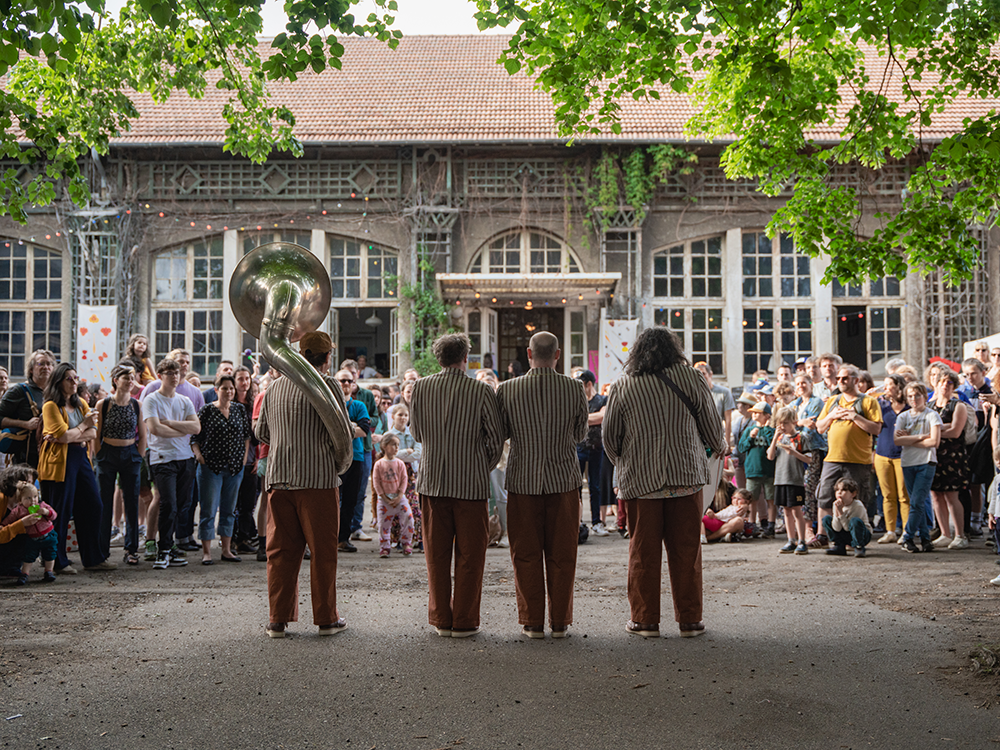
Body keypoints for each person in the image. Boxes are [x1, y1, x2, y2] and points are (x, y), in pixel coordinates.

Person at [603, 327, 726, 640]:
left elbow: (610, 438)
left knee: (642, 553)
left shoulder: (624, 384)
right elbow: (713, 429)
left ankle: (645, 622)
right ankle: (690, 621)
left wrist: (626, 462)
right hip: (686, 479)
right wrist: (717, 448)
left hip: (641, 483)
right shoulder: (692, 378)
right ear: (675, 349)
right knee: (687, 551)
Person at [255, 330, 355, 638]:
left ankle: (277, 620)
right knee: (323, 552)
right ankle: (326, 619)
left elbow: (261, 432)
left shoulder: (274, 387)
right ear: (328, 358)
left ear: (300, 355)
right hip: (318, 480)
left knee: (280, 552)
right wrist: (337, 463)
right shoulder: (328, 384)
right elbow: (341, 432)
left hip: (279, 477)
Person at [410, 333, 504, 638]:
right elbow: (495, 440)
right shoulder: (481, 390)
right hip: (471, 486)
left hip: (433, 482)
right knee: (471, 556)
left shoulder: (420, 387)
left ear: (438, 358)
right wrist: (479, 466)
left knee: (436, 556)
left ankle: (441, 618)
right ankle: (464, 620)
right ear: (466, 358)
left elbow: (417, 433)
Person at [496, 331, 588, 639]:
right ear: (557, 355)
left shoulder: (507, 389)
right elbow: (580, 434)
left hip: (523, 480)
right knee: (563, 554)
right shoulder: (574, 387)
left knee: (525, 553)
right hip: (564, 481)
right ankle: (560, 622)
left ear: (528, 353)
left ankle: (532, 622)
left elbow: (502, 433)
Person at [39, 362, 114, 573]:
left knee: (93, 505)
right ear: (58, 382)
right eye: (68, 379)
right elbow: (64, 436)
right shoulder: (50, 406)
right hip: (58, 462)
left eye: (75, 378)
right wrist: (82, 427)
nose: (74, 382)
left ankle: (93, 559)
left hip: (81, 457)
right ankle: (57, 562)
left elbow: (93, 433)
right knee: (60, 511)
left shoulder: (80, 402)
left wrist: (73, 434)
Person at [140, 349, 205, 552]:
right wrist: (182, 430)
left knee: (180, 503)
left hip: (184, 456)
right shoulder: (152, 393)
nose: (175, 375)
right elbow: (154, 428)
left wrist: (169, 423)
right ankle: (153, 542)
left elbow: (196, 428)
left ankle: (169, 542)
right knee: (162, 500)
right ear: (161, 375)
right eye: (171, 372)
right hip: (160, 455)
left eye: (178, 371)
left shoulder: (190, 396)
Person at [814, 365, 882, 548]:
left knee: (856, 499)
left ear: (856, 380)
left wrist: (855, 417)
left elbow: (876, 429)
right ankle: (824, 536)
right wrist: (831, 416)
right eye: (839, 378)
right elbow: (820, 427)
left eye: (845, 378)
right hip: (832, 459)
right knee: (825, 496)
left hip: (857, 460)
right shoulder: (833, 401)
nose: (841, 381)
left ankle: (854, 538)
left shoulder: (868, 402)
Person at [193, 373, 251, 565]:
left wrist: (244, 458)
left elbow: (246, 436)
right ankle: (207, 552)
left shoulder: (239, 409)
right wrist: (199, 456)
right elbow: (195, 437)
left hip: (234, 468)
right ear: (216, 390)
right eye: (224, 388)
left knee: (229, 510)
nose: (228, 391)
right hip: (211, 468)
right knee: (208, 510)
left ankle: (226, 550)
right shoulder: (207, 410)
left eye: (231, 388)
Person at [93, 364, 147, 566]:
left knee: (132, 502)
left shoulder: (136, 405)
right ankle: (101, 550)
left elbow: (143, 434)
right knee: (104, 502)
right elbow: (96, 434)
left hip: (130, 454)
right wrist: (99, 454)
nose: (130, 381)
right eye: (126, 378)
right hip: (108, 454)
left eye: (132, 378)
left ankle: (131, 549)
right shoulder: (103, 404)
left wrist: (138, 456)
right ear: (116, 380)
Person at [894, 382, 942, 554]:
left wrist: (909, 439)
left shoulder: (932, 415)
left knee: (917, 502)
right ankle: (925, 538)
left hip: (926, 461)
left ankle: (907, 537)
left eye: (917, 395)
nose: (914, 399)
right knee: (917, 503)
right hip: (908, 462)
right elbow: (897, 440)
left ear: (924, 396)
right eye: (910, 396)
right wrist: (921, 436)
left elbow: (934, 441)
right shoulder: (903, 417)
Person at [928, 369, 970, 549]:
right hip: (933, 455)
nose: (945, 385)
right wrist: (942, 428)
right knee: (936, 495)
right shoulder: (930, 406)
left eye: (949, 382)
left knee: (952, 495)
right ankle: (945, 533)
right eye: (942, 381)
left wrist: (935, 431)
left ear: (954, 386)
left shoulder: (958, 405)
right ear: (936, 384)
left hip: (953, 457)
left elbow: (955, 431)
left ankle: (960, 535)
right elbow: (924, 427)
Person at [333, 368, 370, 553]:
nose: (346, 384)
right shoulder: (330, 405)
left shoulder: (359, 406)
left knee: (350, 500)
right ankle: (330, 537)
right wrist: (352, 426)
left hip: (356, 458)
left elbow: (364, 430)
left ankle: (343, 539)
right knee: (332, 500)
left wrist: (342, 429)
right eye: (342, 380)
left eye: (349, 381)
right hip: (335, 459)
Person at [0, 349, 55, 469]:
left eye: (49, 364)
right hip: (26, 458)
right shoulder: (18, 390)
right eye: (41, 363)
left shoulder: (56, 393)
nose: (46, 367)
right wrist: (25, 424)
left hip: (52, 456)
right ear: (31, 369)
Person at [768, 406, 810, 554]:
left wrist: (794, 452)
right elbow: (770, 456)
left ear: (793, 422)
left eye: (785, 423)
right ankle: (791, 540)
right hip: (780, 479)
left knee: (797, 510)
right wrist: (775, 437)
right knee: (786, 510)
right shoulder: (780, 438)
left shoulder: (801, 437)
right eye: (780, 423)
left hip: (795, 479)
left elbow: (809, 459)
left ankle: (802, 541)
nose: (782, 426)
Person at [874, 374, 909, 543]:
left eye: (889, 385)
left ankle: (907, 531)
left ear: (899, 387)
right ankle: (890, 530)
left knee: (904, 496)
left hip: (903, 455)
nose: (885, 388)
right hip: (882, 454)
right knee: (887, 495)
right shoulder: (881, 406)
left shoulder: (909, 407)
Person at [792, 374, 827, 541]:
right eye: (798, 383)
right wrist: (800, 422)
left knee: (809, 488)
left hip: (811, 450)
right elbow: (784, 421)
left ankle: (808, 527)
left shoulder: (816, 402)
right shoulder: (794, 404)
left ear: (811, 384)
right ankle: (797, 525)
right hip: (794, 451)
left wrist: (794, 425)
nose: (801, 386)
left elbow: (810, 429)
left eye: (804, 383)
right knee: (797, 487)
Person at [574, 369, 609, 536]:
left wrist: (582, 418)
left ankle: (597, 522)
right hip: (579, 448)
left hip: (596, 449)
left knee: (595, 486)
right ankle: (578, 521)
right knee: (576, 486)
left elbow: (602, 417)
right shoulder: (577, 400)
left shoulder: (603, 400)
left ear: (588, 384)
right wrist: (590, 418)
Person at [2, 481, 57, 584]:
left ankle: (49, 572)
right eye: (28, 498)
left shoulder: (42, 505)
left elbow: (54, 515)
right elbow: (9, 520)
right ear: (20, 501)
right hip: (32, 538)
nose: (33, 501)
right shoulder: (18, 510)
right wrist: (3, 525)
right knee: (28, 557)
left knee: (50, 554)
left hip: (48, 535)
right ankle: (24, 574)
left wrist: (46, 512)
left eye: (35, 496)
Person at [231, 365, 261, 554]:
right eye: (241, 379)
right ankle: (230, 539)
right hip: (232, 462)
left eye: (247, 378)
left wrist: (258, 458)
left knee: (248, 505)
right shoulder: (230, 404)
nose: (244, 382)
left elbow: (259, 434)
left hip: (251, 461)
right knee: (232, 504)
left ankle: (243, 539)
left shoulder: (254, 404)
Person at [385, 404, 422, 550]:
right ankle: (399, 539)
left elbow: (418, 454)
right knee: (396, 504)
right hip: (394, 474)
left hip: (411, 474)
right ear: (393, 416)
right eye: (400, 415)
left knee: (414, 506)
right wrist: (407, 451)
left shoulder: (413, 433)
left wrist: (400, 453)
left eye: (406, 415)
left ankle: (417, 537)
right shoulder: (389, 435)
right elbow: (389, 454)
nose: (403, 418)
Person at [738, 401, 776, 537]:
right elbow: (741, 447)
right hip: (753, 470)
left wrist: (766, 429)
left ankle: (770, 524)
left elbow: (773, 445)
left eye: (757, 413)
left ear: (766, 415)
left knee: (770, 498)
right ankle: (752, 524)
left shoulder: (771, 431)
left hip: (768, 470)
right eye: (753, 412)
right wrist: (750, 437)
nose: (754, 414)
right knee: (752, 499)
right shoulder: (749, 430)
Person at [372, 432, 413, 557]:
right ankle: (385, 547)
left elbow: (404, 480)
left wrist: (400, 496)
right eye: (393, 444)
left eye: (398, 445)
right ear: (384, 446)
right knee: (383, 524)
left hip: (399, 498)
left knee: (408, 517)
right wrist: (383, 497)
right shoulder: (379, 464)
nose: (396, 448)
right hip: (384, 499)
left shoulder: (400, 463)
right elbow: (376, 482)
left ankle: (406, 543)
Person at [0, 464, 41, 575]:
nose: (31, 487)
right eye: (27, 483)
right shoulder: (2, 500)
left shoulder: (26, 503)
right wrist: (21, 524)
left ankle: (11, 567)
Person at [822, 477, 872, 557]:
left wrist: (841, 513)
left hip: (861, 535)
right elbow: (837, 528)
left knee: (855, 521)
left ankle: (859, 546)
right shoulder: (836, 504)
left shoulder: (857, 505)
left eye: (843, 490)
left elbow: (848, 528)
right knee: (826, 519)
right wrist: (838, 511)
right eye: (837, 490)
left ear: (853, 494)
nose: (839, 492)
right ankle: (839, 545)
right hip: (846, 533)